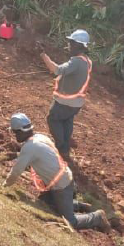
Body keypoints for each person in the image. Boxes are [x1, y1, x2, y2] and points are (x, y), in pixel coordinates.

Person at [3, 113, 109, 231]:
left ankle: (97, 218)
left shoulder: (29, 148)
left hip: (61, 186)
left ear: (20, 132)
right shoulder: (40, 137)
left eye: (15, 132)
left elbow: (16, 171)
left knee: (70, 221)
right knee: (44, 204)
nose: (14, 135)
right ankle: (78, 205)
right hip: (64, 177)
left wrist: (5, 185)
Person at [40, 29, 92, 160]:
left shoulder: (76, 62)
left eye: (71, 43)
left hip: (65, 102)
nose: (69, 45)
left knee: (53, 119)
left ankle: (62, 148)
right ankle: (66, 142)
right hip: (77, 103)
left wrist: (43, 55)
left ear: (79, 45)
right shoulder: (87, 61)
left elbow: (56, 70)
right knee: (66, 120)